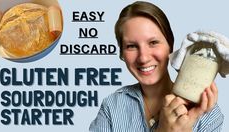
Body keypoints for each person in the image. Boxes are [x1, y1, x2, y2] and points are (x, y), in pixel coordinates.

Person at [89, 1, 224, 132]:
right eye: (131, 46)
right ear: (122, 54)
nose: (143, 58)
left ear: (170, 45)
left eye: (153, 42)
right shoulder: (112, 106)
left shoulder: (208, 115)